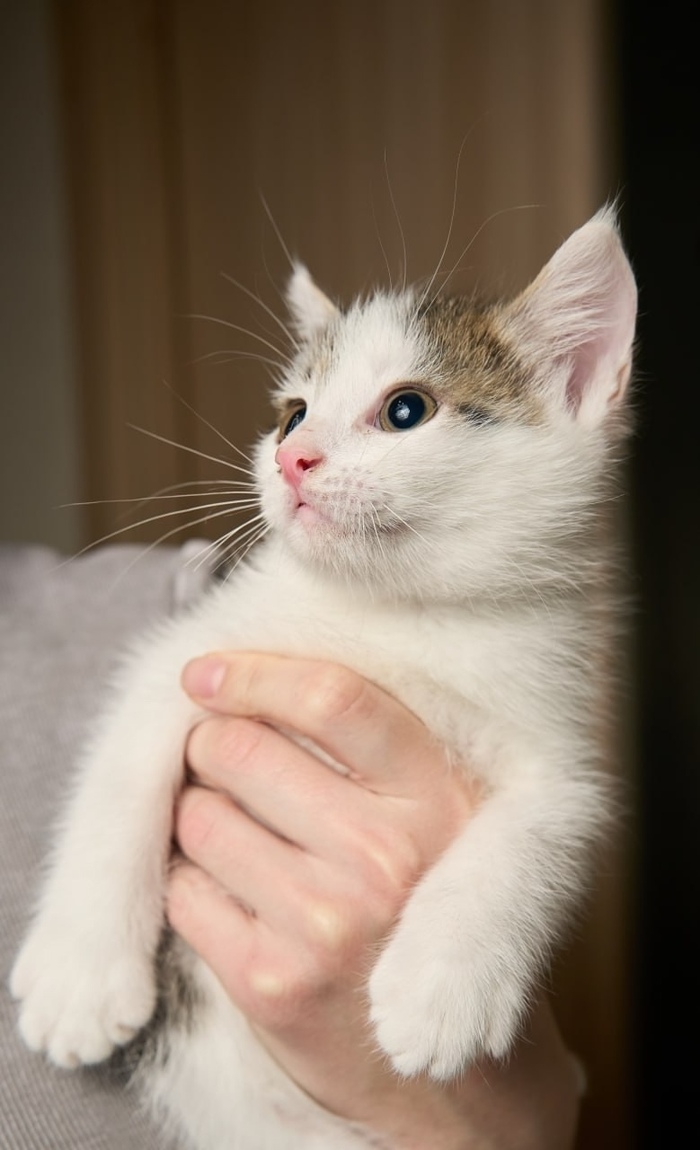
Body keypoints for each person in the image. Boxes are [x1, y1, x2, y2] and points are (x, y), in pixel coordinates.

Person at [0, 543, 581, 1149]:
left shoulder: (172, 586)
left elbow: (546, 790)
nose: (292, 477)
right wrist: (93, 921)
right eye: (280, 439)